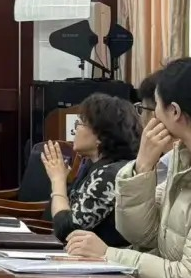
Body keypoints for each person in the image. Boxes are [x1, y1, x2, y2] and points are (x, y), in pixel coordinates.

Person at [67, 58, 191, 278]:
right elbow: (141, 235)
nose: (149, 116)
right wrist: (141, 168)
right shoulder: (181, 158)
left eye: (154, 106)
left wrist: (108, 255)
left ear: (174, 112)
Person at [40, 93, 137, 246]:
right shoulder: (92, 165)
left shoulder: (109, 175)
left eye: (80, 123)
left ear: (100, 136)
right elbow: (54, 218)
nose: (75, 130)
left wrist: (58, 181)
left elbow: (66, 231)